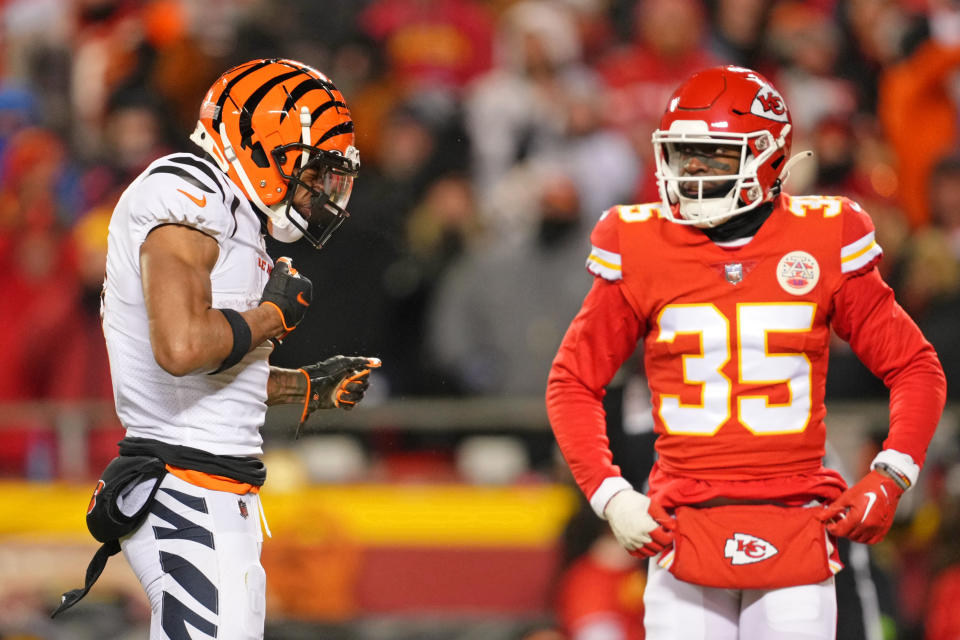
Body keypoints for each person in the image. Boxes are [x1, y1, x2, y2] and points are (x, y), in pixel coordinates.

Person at [545, 65, 946, 639]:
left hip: (795, 526)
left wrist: (891, 472)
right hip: (681, 528)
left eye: (712, 156)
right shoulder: (638, 242)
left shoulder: (825, 235)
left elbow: (915, 367)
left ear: (769, 157)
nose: (692, 173)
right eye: (684, 156)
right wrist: (610, 495)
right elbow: (572, 381)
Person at [52, 59, 381, 639]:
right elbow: (181, 348)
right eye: (313, 172)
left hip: (210, 491)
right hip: (187, 491)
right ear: (265, 150)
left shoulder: (232, 215)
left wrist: (300, 386)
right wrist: (271, 315)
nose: (321, 192)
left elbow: (205, 368)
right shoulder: (185, 195)